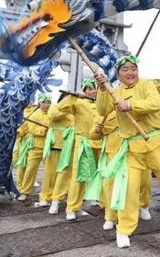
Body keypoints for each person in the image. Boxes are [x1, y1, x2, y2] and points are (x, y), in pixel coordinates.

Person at [94, 54, 160, 248]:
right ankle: (123, 229)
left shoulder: (147, 85)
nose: (130, 72)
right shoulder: (114, 91)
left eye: (133, 68)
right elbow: (102, 109)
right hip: (131, 146)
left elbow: (154, 104)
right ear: (118, 74)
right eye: (125, 69)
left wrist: (130, 105)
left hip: (155, 142)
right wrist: (102, 88)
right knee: (128, 189)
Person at [52, 79, 100, 221]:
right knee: (77, 176)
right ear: (84, 90)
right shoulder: (78, 102)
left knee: (100, 175)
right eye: (89, 89)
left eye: (94, 88)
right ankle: (71, 207)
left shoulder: (100, 104)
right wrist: (73, 97)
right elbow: (59, 110)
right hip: (82, 141)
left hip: (99, 143)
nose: (92, 91)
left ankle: (99, 201)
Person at [17, 94, 52, 201]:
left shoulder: (52, 114)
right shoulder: (34, 115)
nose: (46, 105)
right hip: (36, 146)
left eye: (48, 102)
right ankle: (25, 191)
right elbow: (33, 130)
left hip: (49, 147)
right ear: (40, 103)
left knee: (50, 170)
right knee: (30, 169)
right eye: (44, 103)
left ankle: (50, 192)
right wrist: (45, 131)